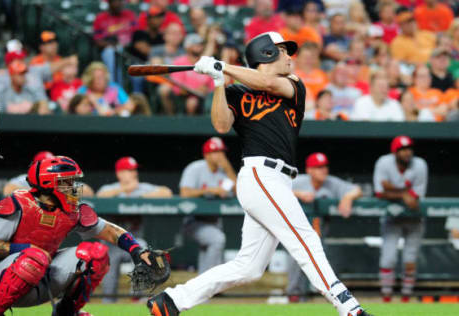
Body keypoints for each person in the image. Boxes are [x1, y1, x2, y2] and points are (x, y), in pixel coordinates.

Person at [147, 32, 372, 316]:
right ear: (266, 53)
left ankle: (172, 300)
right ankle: (349, 308)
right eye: (282, 50)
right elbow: (220, 123)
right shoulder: (236, 91)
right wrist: (219, 82)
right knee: (306, 239)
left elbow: (265, 82)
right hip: (260, 174)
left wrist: (223, 66)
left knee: (249, 267)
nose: (290, 56)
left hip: (278, 180)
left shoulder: (293, 83)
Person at [0, 156, 157, 316]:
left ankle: (67, 311)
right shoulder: (17, 203)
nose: (73, 187)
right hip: (1, 278)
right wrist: (27, 249)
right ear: (48, 183)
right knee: (34, 257)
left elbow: (110, 230)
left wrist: (136, 250)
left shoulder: (72, 210)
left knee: (96, 254)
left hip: (39, 277)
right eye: (67, 182)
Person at [286, 152, 363, 302]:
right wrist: (297, 193)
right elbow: (273, 188)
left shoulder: (331, 183)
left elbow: (357, 189)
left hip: (319, 235)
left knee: (320, 267)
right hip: (296, 234)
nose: (323, 170)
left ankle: (318, 299)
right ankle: (293, 297)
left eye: (325, 166)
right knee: (297, 263)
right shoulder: (298, 181)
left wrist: (347, 197)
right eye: (318, 167)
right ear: (309, 170)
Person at [96, 156, 172, 303]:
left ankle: (137, 295)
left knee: (143, 249)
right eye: (129, 170)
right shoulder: (110, 188)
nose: (134, 173)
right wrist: (124, 190)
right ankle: (108, 301)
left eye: (134, 170)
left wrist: (142, 196)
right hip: (113, 243)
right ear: (119, 173)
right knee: (109, 274)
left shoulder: (141, 188)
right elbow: (99, 196)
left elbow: (166, 192)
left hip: (135, 241)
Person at [373, 135, 428, 303]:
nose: (406, 152)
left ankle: (405, 298)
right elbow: (380, 192)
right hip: (391, 217)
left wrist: (393, 189)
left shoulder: (419, 165)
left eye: (409, 148)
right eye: (402, 149)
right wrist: (404, 192)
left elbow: (416, 197)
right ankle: (386, 297)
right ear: (394, 151)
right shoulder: (384, 162)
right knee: (388, 258)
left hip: (414, 218)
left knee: (410, 259)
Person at [179, 137, 236, 274]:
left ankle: (203, 286)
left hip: (215, 222)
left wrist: (228, 168)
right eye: (215, 152)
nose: (220, 155)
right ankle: (206, 283)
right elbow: (184, 193)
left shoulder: (224, 172)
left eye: (221, 151)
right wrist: (209, 190)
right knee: (217, 239)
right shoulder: (195, 168)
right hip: (194, 221)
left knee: (210, 250)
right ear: (206, 155)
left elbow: (239, 192)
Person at [3, 151, 95, 197]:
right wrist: (41, 191)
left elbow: (88, 192)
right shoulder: (26, 178)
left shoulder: (61, 178)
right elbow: (7, 191)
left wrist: (63, 191)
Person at [93, 0, 138, 84]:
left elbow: (137, 35)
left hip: (129, 50)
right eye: (116, 1)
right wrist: (113, 45)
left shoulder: (129, 15)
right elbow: (98, 41)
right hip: (111, 49)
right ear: (109, 2)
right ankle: (113, 85)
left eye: (121, 1)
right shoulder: (101, 18)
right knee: (110, 52)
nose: (120, 3)